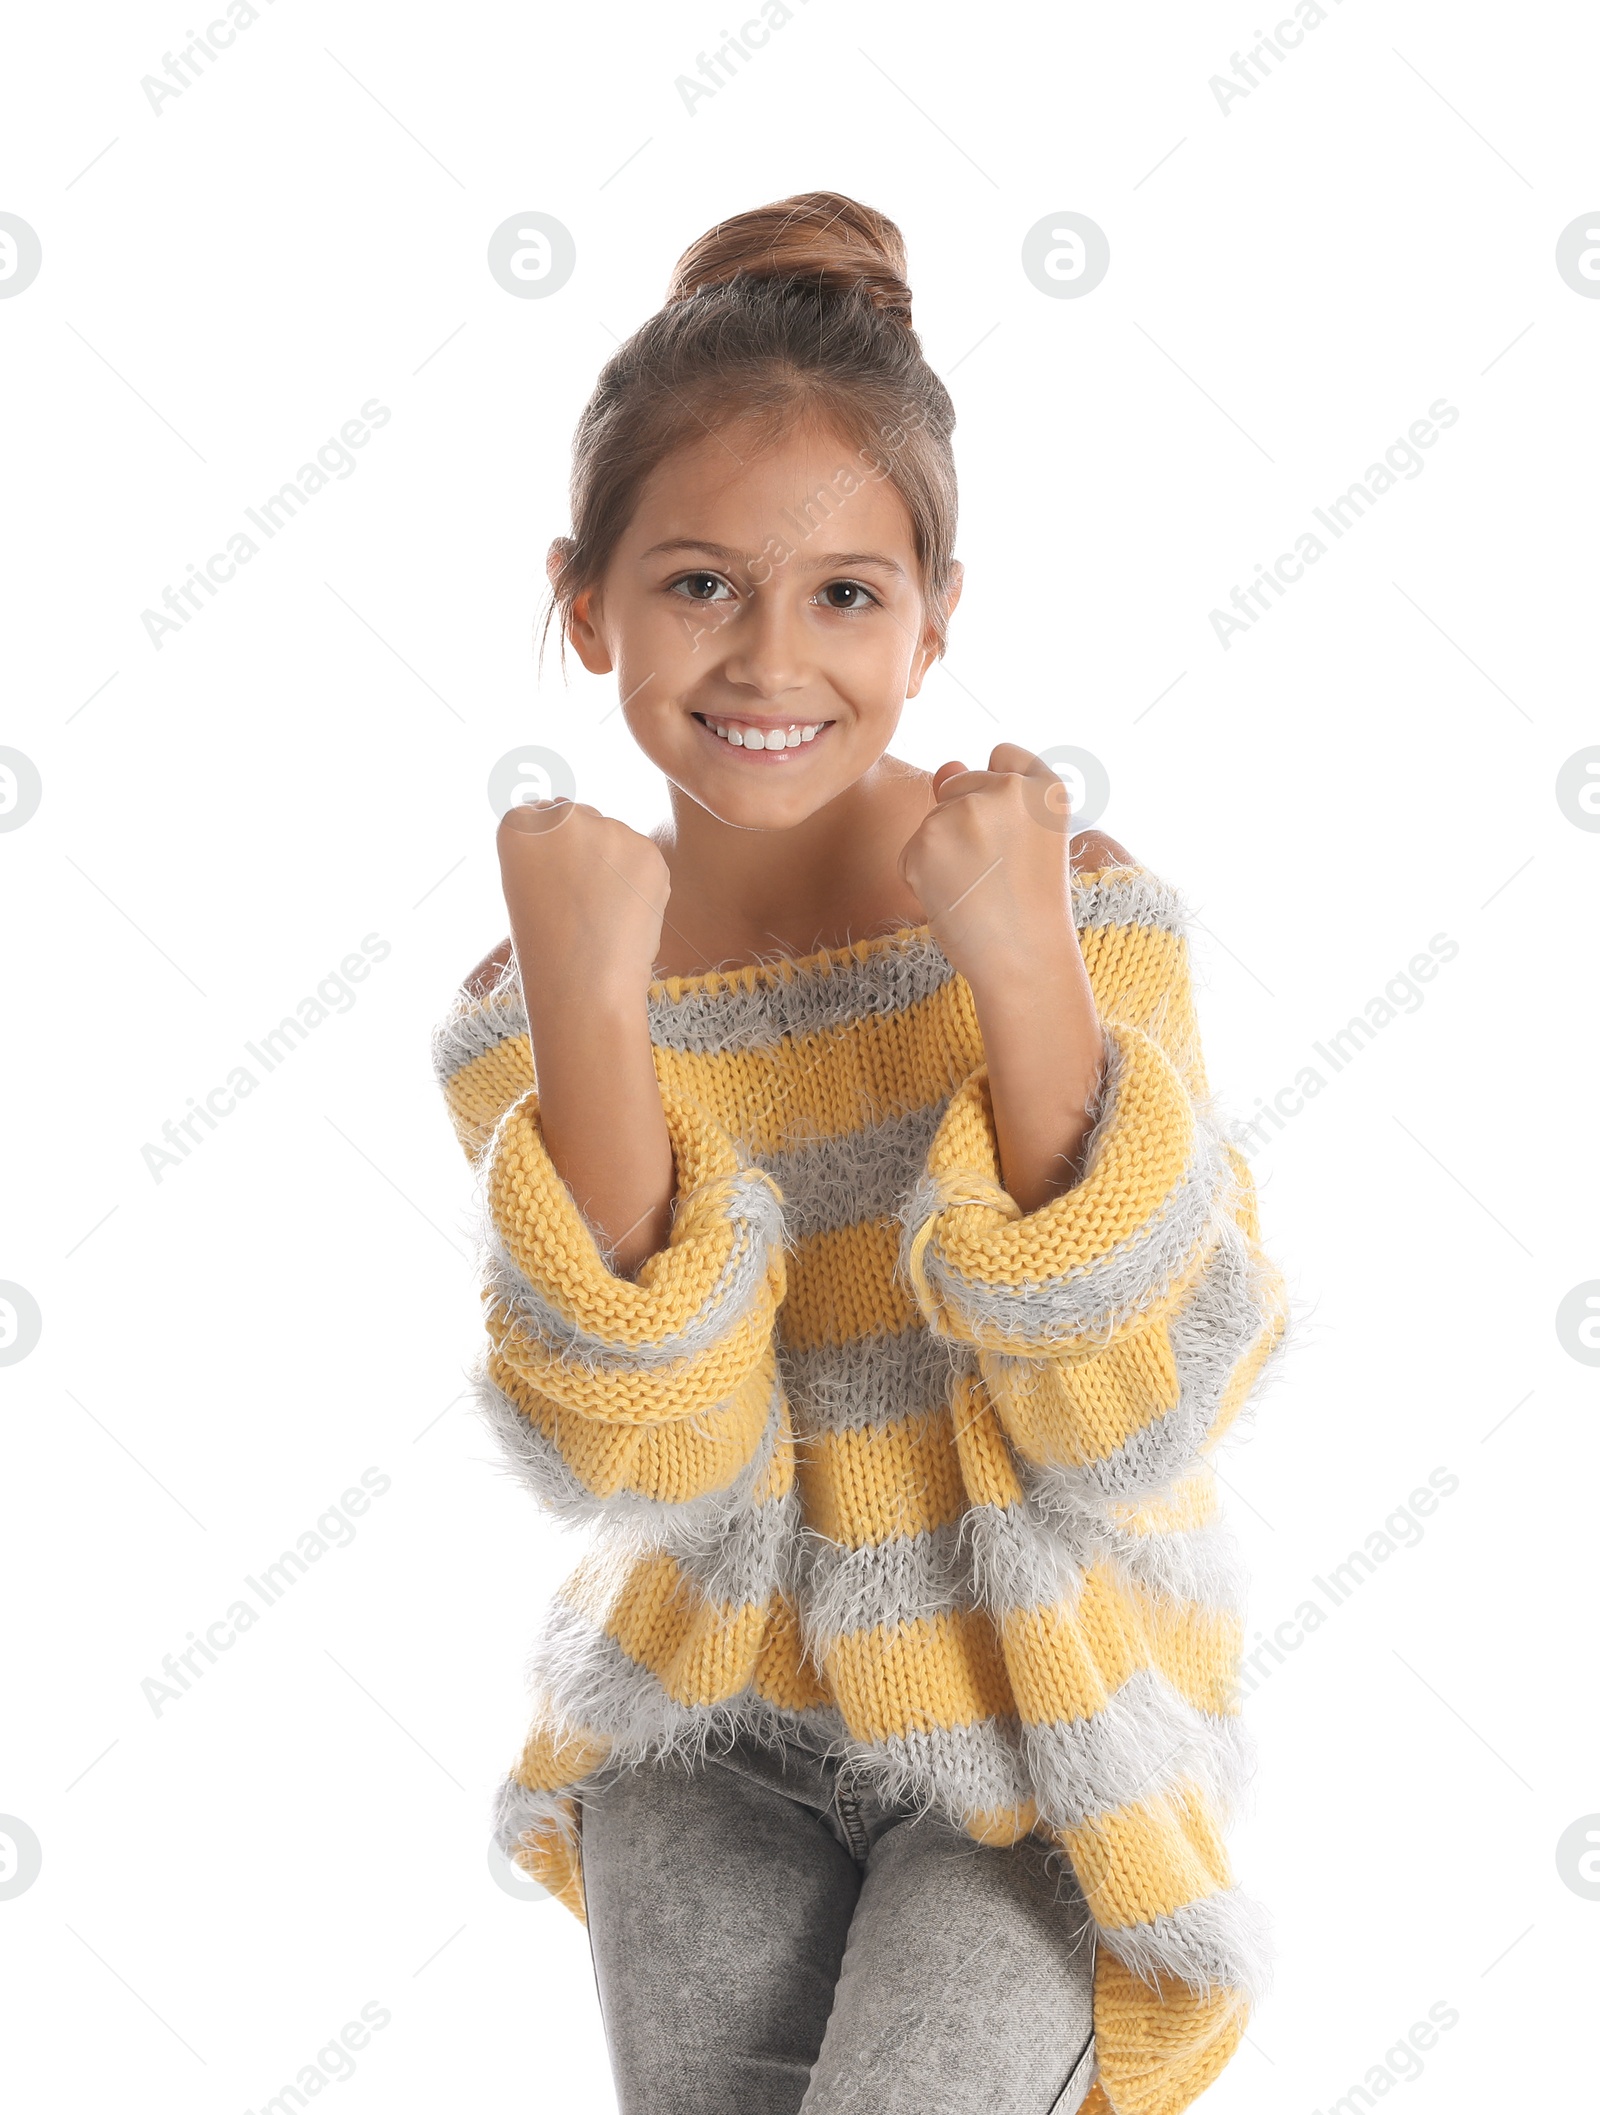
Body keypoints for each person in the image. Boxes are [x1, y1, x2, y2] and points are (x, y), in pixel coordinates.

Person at [431, 190, 1295, 2115]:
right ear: (585, 601)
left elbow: (1141, 1410)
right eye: (697, 584)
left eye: (844, 593)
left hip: (1039, 1730)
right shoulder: (542, 995)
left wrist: (1017, 971)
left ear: (934, 620)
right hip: (703, 1729)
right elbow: (644, 1449)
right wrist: (591, 1016)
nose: (767, 660)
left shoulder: (1068, 908)